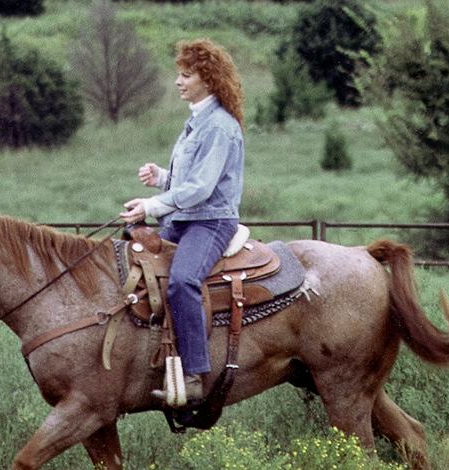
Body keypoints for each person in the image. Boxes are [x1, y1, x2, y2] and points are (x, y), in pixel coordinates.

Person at [120, 38, 245, 405]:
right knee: (128, 252)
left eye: (186, 75)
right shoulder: (196, 121)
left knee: (182, 282)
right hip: (185, 217)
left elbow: (203, 188)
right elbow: (188, 180)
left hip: (210, 222)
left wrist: (153, 205)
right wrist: (160, 176)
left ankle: (193, 375)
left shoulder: (220, 126)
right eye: (179, 74)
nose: (178, 81)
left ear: (207, 79)